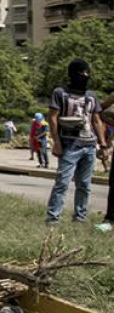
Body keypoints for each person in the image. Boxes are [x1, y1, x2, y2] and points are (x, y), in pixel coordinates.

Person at [46, 59, 107, 224]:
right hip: (69, 145)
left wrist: (103, 144)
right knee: (62, 183)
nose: (86, 76)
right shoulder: (60, 93)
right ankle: (53, 218)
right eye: (82, 73)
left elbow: (96, 120)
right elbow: (52, 118)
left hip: (89, 145)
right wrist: (56, 142)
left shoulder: (91, 95)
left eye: (87, 73)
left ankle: (80, 217)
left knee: (85, 185)